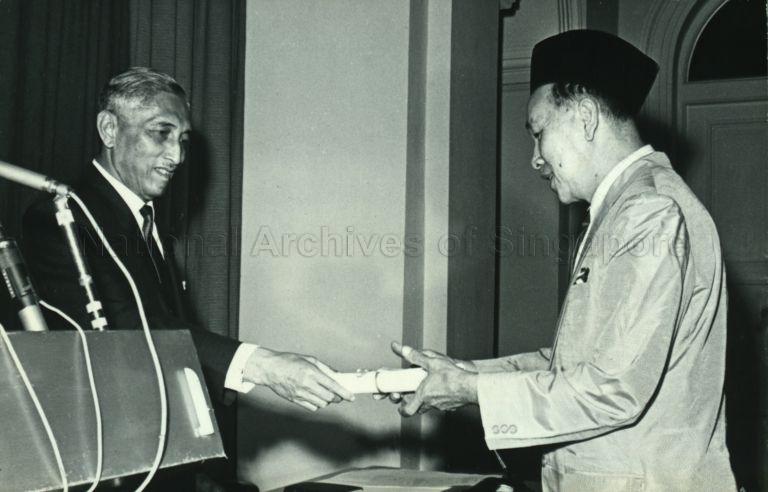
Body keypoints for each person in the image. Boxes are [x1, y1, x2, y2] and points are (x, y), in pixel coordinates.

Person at [389, 30, 737, 491]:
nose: (535, 159)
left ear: (586, 117)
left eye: (539, 133)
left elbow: (613, 388)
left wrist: (468, 389)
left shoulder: (648, 212)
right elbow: (580, 365)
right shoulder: (627, 207)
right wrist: (464, 375)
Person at [22, 67, 353, 488]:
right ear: (109, 128)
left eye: (182, 141)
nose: (176, 156)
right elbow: (130, 329)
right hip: (110, 470)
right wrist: (264, 365)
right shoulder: (62, 216)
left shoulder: (141, 218)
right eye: (161, 133)